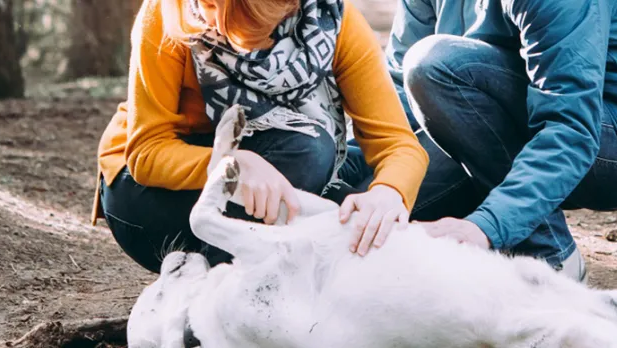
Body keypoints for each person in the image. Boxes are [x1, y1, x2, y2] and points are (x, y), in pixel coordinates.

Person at [345, 0, 617, 282]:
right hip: (493, 119)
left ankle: (549, 257)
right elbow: (397, 97)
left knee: (433, 64)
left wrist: (486, 226)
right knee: (361, 213)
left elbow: (571, 127)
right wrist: (337, 180)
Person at [89, 0, 429, 273]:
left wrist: (388, 192)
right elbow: (147, 153)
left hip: (272, 173)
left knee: (380, 194)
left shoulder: (334, 23)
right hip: (153, 196)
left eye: (238, 14)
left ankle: (240, 272)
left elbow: (398, 145)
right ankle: (224, 293)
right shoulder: (170, 12)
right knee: (309, 150)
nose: (216, 23)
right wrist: (231, 166)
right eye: (209, 5)